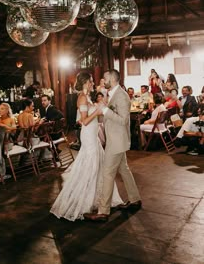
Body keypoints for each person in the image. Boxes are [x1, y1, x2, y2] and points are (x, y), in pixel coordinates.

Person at [50, 71, 123, 221]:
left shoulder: (87, 97)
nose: (92, 83)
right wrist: (97, 111)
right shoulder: (82, 98)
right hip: (88, 135)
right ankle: (80, 200)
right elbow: (84, 121)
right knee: (90, 165)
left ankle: (98, 199)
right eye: (90, 81)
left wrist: (102, 110)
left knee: (98, 166)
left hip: (93, 135)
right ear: (85, 82)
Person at [84, 69, 141, 222]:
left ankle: (103, 212)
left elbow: (122, 120)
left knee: (107, 173)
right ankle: (135, 199)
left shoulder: (122, 96)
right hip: (116, 140)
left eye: (105, 78)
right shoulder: (113, 94)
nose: (103, 80)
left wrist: (105, 110)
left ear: (113, 79)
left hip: (117, 141)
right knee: (124, 169)